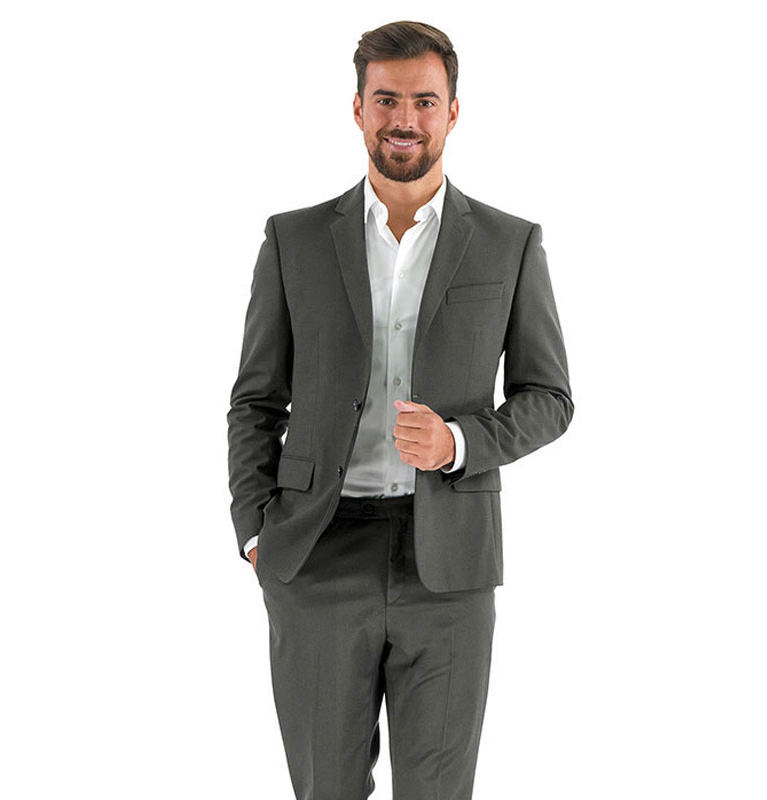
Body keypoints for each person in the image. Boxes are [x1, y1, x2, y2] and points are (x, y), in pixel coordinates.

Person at [227, 19, 573, 800]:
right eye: (386, 100)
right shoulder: (293, 239)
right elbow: (255, 399)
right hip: (316, 553)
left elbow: (550, 398)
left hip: (448, 563)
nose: (405, 119)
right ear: (358, 109)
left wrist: (458, 441)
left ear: (454, 111)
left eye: (424, 101)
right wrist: (254, 529)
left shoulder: (510, 244)